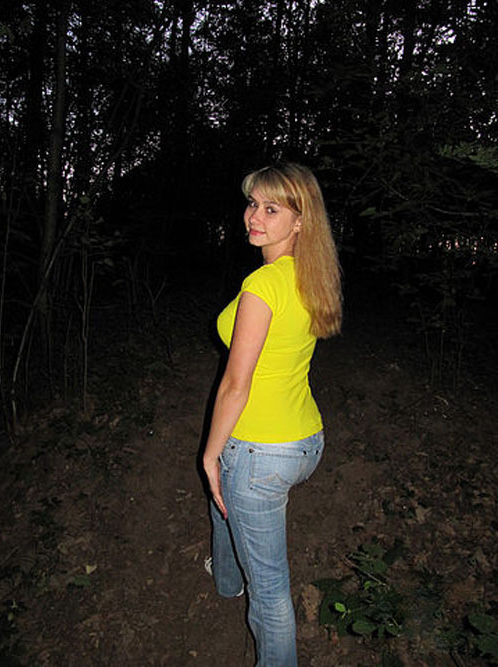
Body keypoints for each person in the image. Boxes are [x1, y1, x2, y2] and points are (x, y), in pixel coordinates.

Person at [203, 163, 342, 666]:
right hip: (306, 441)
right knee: (223, 503)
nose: (254, 217)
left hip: (260, 452)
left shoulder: (263, 285)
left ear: (300, 220)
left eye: (271, 208)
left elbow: (235, 385)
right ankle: (226, 578)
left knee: (271, 590)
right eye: (252, 204)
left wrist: (210, 454)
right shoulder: (311, 275)